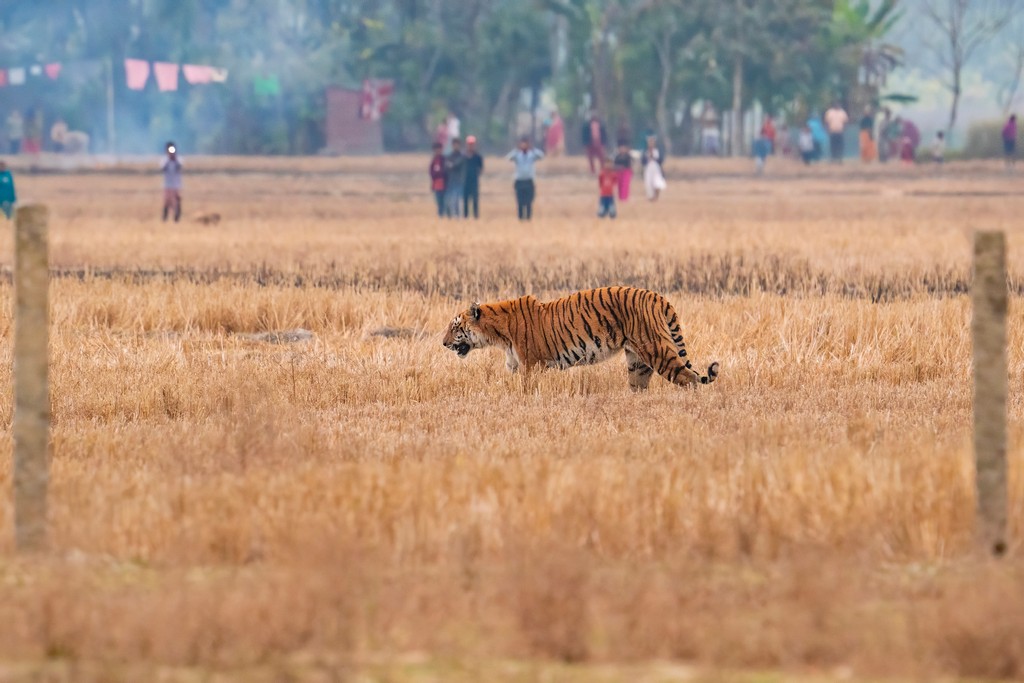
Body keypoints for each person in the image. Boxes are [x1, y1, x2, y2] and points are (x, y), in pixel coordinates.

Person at [505, 136, 544, 220]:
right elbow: (508, 158)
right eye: (522, 144)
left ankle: (528, 218)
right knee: (520, 202)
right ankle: (520, 219)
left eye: (526, 143)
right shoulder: (517, 155)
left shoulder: (532, 154)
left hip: (529, 181)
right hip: (519, 181)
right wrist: (517, 149)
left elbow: (541, 156)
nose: (524, 145)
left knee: (529, 202)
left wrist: (532, 148)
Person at [161, 142, 183, 222]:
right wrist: (169, 160)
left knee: (177, 201)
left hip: (176, 184)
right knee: (167, 201)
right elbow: (163, 168)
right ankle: (165, 218)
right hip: (167, 184)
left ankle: (177, 218)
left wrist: (174, 159)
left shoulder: (178, 159)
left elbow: (179, 167)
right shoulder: (165, 160)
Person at [444, 137, 466, 219]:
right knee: (448, 200)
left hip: (459, 181)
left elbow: (455, 165)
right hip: (450, 181)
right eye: (454, 145)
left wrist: (451, 165)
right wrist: (451, 165)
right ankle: (449, 216)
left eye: (457, 145)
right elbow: (446, 167)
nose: (456, 146)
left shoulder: (462, 156)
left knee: (456, 200)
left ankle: (457, 216)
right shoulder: (449, 156)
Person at [463, 135, 484, 219]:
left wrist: (476, 174)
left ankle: (476, 216)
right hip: (465, 180)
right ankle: (465, 216)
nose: (470, 146)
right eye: (469, 144)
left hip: (474, 181)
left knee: (475, 199)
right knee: (465, 200)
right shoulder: (463, 156)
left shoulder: (478, 156)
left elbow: (481, 168)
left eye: (472, 144)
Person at [641, 134, 666, 201]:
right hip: (648, 169)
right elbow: (643, 161)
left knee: (657, 182)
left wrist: (654, 158)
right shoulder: (645, 151)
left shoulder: (658, 150)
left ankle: (656, 196)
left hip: (656, 169)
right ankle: (651, 197)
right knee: (649, 183)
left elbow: (661, 160)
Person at [429, 142, 447, 218]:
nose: (437, 151)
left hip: (444, 185)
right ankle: (440, 216)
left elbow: (446, 172)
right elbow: (431, 173)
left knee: (445, 203)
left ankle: (446, 216)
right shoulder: (433, 161)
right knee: (439, 203)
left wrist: (439, 173)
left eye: (439, 149)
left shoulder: (444, 160)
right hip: (436, 185)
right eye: (436, 150)